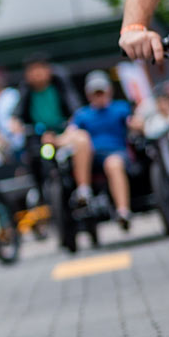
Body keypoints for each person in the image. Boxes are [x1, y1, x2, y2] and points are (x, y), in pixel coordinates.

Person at [13, 55, 95, 205]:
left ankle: (83, 189)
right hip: (39, 138)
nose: (36, 74)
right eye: (32, 71)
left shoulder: (60, 84)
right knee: (31, 158)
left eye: (39, 69)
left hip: (63, 135)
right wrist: (16, 125)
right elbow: (16, 116)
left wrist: (69, 127)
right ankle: (39, 192)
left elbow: (75, 110)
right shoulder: (26, 91)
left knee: (81, 140)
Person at [70, 70, 140, 229]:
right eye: (95, 93)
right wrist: (54, 140)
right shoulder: (82, 115)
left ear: (109, 91)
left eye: (101, 92)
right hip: (92, 158)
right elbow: (70, 134)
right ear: (89, 95)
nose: (99, 96)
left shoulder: (120, 108)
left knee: (112, 163)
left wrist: (137, 124)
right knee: (80, 138)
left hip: (117, 153)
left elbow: (133, 123)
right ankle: (84, 190)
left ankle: (123, 212)